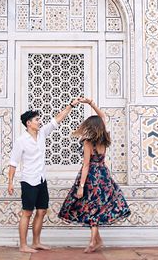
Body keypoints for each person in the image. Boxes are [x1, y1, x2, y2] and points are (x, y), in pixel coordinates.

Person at [58, 97, 131, 253]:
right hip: (103, 175)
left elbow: (86, 165)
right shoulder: (104, 138)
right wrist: (91, 104)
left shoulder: (88, 142)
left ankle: (94, 240)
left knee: (92, 207)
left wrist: (81, 186)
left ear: (90, 127)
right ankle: (96, 240)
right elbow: (103, 117)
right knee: (96, 207)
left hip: (91, 176)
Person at [8, 98, 80, 253]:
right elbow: (13, 163)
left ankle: (36, 242)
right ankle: (23, 245)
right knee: (27, 213)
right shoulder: (21, 141)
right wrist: (10, 182)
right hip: (28, 181)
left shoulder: (42, 134)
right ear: (29, 123)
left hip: (41, 180)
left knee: (41, 211)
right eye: (36, 120)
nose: (39, 122)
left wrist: (71, 105)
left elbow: (58, 118)